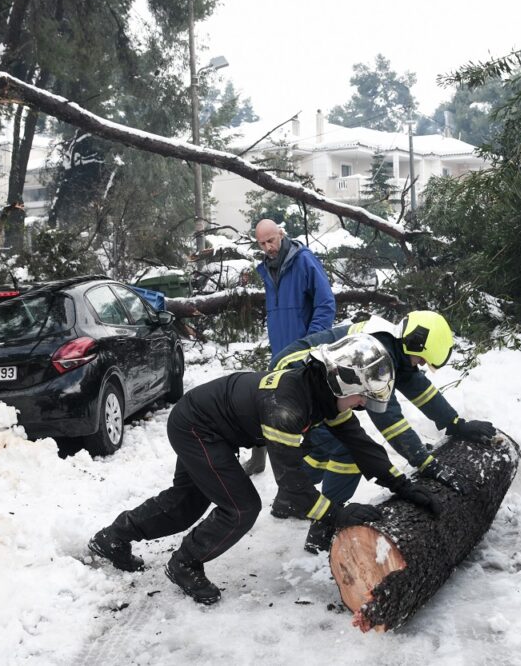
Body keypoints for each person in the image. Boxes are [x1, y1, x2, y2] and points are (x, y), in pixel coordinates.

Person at [88, 334, 440, 605]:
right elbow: (293, 489)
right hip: (197, 426)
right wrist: (338, 514)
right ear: (344, 382)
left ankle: (112, 538)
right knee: (240, 508)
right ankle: (184, 563)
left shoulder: (321, 392)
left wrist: (402, 485)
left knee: (186, 502)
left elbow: (362, 446)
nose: (364, 403)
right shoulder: (286, 408)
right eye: (362, 395)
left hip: (212, 425)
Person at [268, 311, 498, 552]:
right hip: (291, 378)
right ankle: (324, 526)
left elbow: (420, 390)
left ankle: (288, 500)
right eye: (421, 360)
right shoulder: (379, 353)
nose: (421, 365)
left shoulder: (397, 345)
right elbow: (389, 419)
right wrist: (425, 462)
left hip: (311, 380)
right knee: (347, 451)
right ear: (413, 343)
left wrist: (454, 422)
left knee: (321, 445)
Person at [242, 219, 336, 475]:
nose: (268, 247)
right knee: (274, 403)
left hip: (306, 353)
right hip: (281, 353)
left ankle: (324, 460)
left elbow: (326, 304)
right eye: (262, 243)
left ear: (281, 234)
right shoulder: (267, 269)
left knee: (313, 408)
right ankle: (263, 458)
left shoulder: (304, 261)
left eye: (271, 240)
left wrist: (311, 343)